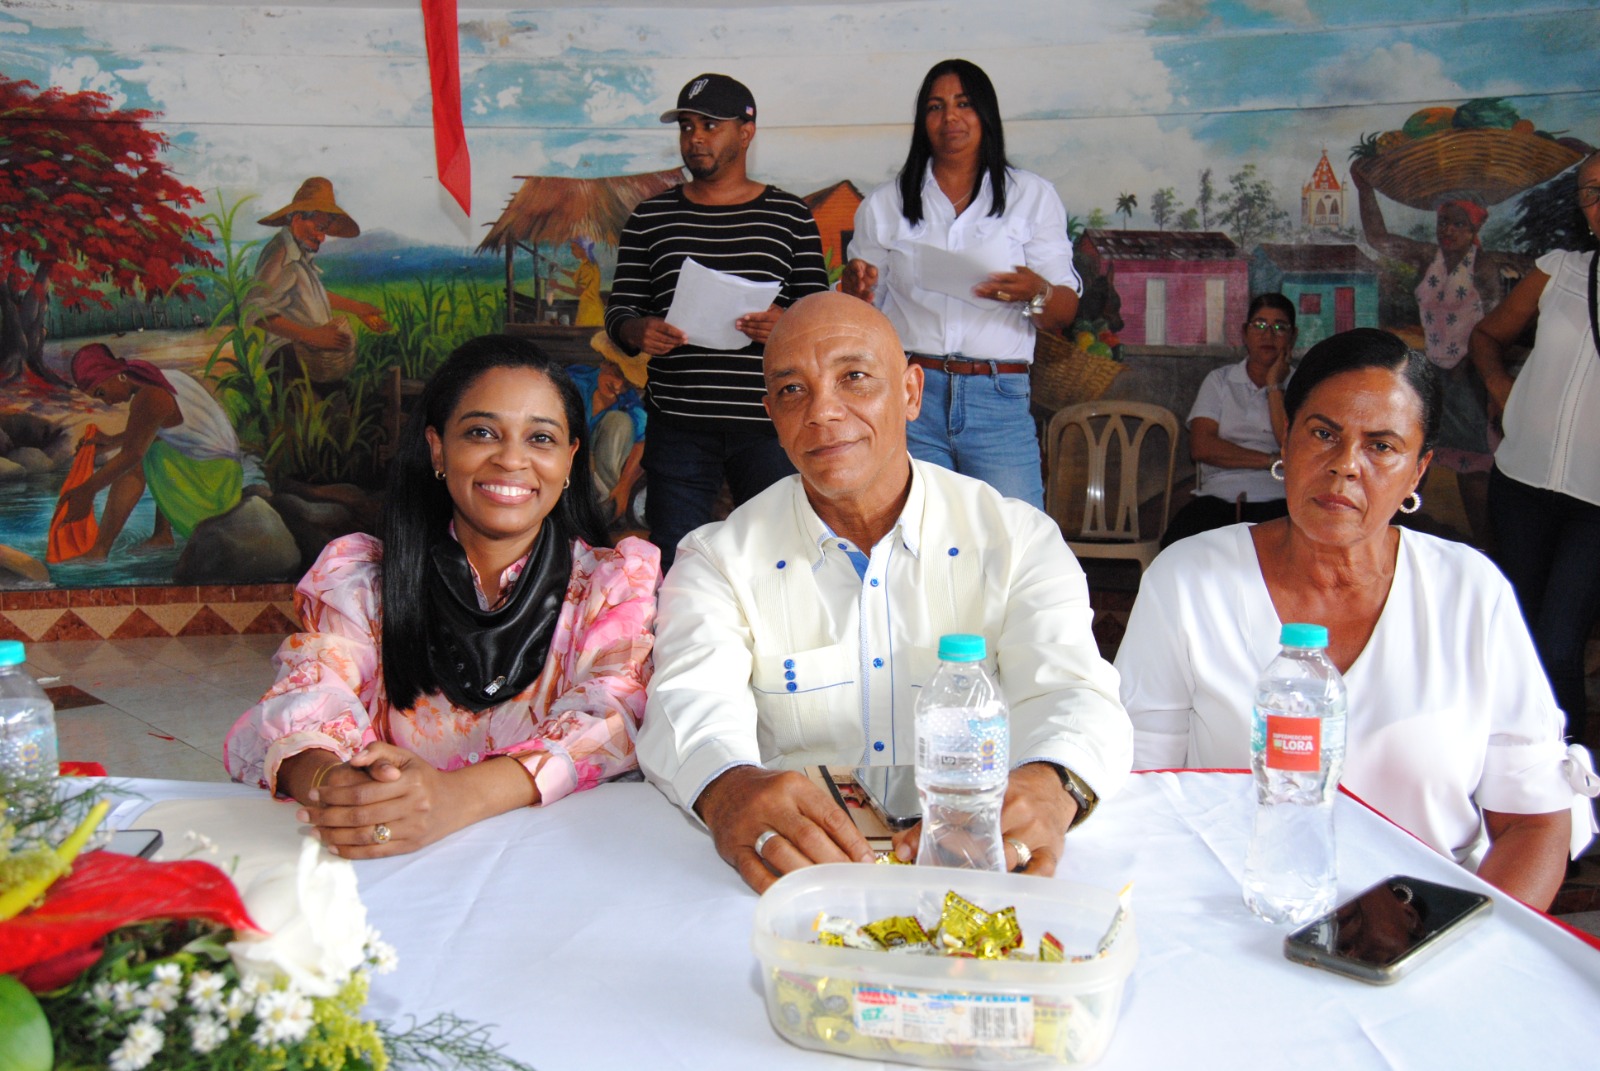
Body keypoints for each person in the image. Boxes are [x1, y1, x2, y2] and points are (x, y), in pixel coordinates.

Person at [636, 292, 1132, 893]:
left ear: (912, 393)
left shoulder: (1016, 539)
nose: (823, 411)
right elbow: (687, 701)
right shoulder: (718, 560)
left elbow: (1073, 691)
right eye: (793, 390)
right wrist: (730, 787)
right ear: (771, 414)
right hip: (800, 880)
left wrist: (1053, 785)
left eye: (855, 378)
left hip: (980, 871)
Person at [1117, 328, 1594, 911]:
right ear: (1286, 440)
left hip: (1422, 940)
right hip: (1230, 919)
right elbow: (1140, 796)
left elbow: (1534, 823)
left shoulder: (1470, 593)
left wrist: (1463, 948)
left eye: (1382, 446)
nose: (1345, 466)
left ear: (1418, 472)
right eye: (1323, 434)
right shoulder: (1190, 580)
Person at [224, 335, 659, 858]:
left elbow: (612, 716)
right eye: (481, 432)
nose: (511, 460)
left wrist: (452, 798)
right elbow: (310, 690)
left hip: (555, 866)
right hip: (389, 866)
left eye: (540, 439)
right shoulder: (363, 580)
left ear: (570, 461)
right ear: (437, 448)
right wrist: (334, 781)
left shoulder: (612, 586)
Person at [604, 73, 829, 570]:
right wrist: (637, 331)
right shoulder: (650, 217)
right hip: (679, 425)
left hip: (771, 425)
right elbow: (619, 311)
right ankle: (679, 649)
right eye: (686, 126)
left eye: (710, 125)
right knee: (675, 562)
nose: (695, 138)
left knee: (778, 561)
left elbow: (821, 318)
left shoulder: (790, 217)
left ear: (746, 132)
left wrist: (785, 323)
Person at [842, 59, 1080, 509]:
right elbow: (861, 313)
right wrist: (854, 291)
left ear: (985, 114)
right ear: (921, 122)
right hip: (911, 394)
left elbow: (1064, 311)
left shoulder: (1032, 196)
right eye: (935, 107)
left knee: (1016, 543)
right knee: (914, 538)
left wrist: (1036, 292)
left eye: (963, 104)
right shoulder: (884, 204)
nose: (949, 117)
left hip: (999, 396)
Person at [1471, 150, 1600, 746]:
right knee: (1516, 634)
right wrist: (1502, 388)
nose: (1598, 203)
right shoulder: (1562, 271)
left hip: (1595, 503)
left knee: (1559, 643)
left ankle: (1567, 787)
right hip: (1521, 482)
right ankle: (1510, 771)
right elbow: (1488, 335)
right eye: (1590, 194)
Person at [1353, 166, 1500, 543]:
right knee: (1413, 468)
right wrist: (1364, 186)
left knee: (1474, 477)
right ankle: (1404, 551)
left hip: (1470, 382)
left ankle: (1487, 559)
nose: (1447, 230)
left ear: (1473, 230)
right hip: (1433, 377)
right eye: (1443, 223)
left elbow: (1495, 330)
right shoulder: (1426, 259)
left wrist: (1481, 379)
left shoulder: (1483, 266)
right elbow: (1378, 238)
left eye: (1457, 224)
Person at [61, 344, 244, 561]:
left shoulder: (150, 397)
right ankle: (162, 535)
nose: (107, 402)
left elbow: (133, 453)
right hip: (225, 477)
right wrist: (110, 442)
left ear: (115, 375)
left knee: (139, 459)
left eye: (101, 392)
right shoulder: (161, 379)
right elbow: (162, 428)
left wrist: (87, 491)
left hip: (214, 494)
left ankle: (100, 550)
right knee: (154, 447)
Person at [1160, 294, 1294, 548]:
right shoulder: (1220, 381)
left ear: (1293, 336)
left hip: (1279, 498)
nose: (1269, 335)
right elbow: (1201, 446)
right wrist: (1271, 461)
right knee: (1177, 546)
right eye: (1260, 325)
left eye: (1279, 327)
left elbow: (1290, 444)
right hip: (1221, 496)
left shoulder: (1302, 384)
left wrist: (1275, 386)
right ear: (1245, 333)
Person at [248, 177, 392, 388]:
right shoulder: (281, 253)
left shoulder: (298, 254)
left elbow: (311, 295)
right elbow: (255, 309)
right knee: (305, 417)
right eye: (318, 227)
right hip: (290, 359)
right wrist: (311, 336)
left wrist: (357, 308)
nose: (322, 237)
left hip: (311, 356)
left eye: (324, 230)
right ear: (297, 219)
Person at [567, 331, 649, 523]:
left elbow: (644, 439)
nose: (619, 387)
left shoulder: (627, 401)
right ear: (605, 364)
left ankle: (607, 506)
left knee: (619, 421)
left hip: (600, 476)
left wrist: (624, 486)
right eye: (616, 374)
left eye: (627, 383)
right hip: (566, 458)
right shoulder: (575, 381)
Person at [551, 238, 604, 327]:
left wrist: (556, 286)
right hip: (589, 308)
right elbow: (576, 276)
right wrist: (560, 270)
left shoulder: (588, 267)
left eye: (574, 248)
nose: (572, 252)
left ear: (583, 249)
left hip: (591, 313)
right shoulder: (587, 264)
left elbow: (578, 292)